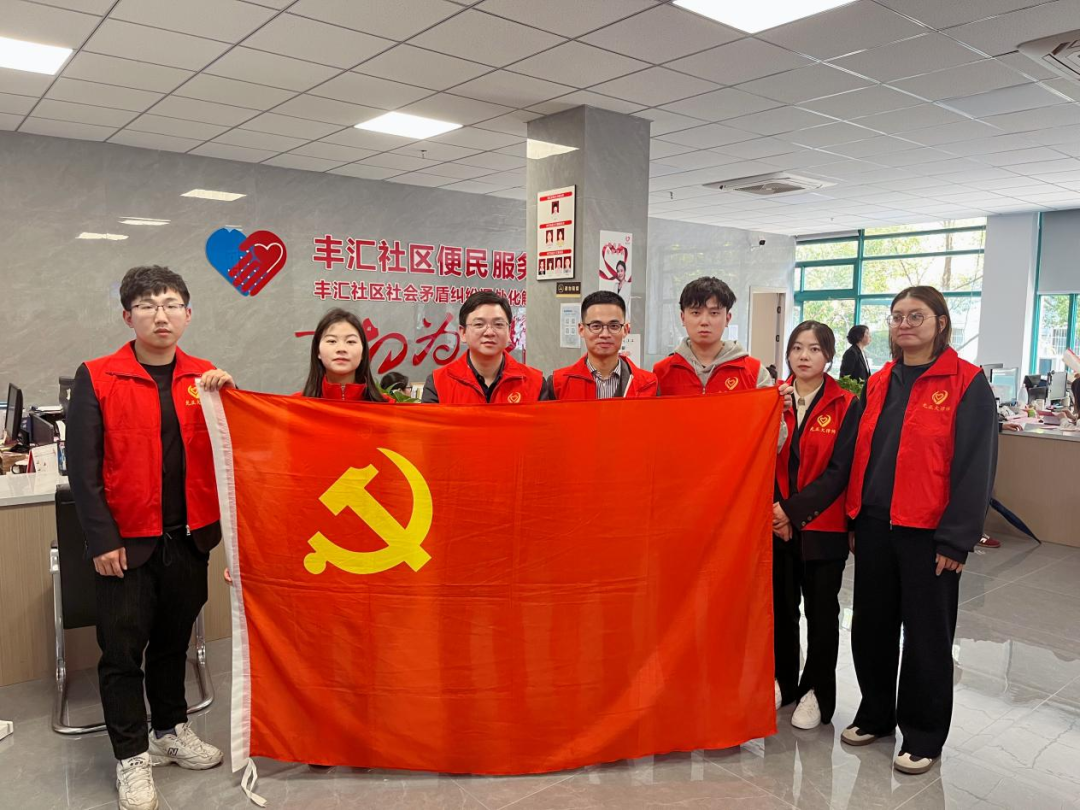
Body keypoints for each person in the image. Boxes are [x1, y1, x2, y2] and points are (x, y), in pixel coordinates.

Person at [67, 265, 232, 810]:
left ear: (188, 313)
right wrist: (101, 540)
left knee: (172, 644)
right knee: (121, 655)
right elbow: (83, 470)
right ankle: (132, 758)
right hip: (127, 545)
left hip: (188, 540)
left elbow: (232, 450)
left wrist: (231, 396)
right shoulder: (98, 376)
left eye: (171, 304)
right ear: (127, 316)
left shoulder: (205, 377)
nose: (161, 315)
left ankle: (169, 731)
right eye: (147, 305)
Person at [842, 286, 997, 775]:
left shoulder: (967, 382)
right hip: (874, 523)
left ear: (940, 322)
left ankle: (924, 733)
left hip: (928, 532)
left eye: (916, 316)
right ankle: (875, 714)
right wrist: (853, 517)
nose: (904, 324)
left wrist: (957, 538)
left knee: (927, 636)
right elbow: (862, 453)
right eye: (897, 316)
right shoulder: (879, 381)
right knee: (872, 627)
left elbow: (976, 466)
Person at [770, 321, 862, 730]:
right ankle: (783, 681)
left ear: (828, 356)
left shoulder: (846, 404)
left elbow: (839, 471)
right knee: (781, 610)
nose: (804, 356)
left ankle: (817, 693)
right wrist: (777, 514)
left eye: (814, 349)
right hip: (776, 525)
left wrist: (792, 512)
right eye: (796, 348)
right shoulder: (774, 399)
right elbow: (762, 458)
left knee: (822, 614)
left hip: (823, 527)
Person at [653, 276, 790, 446]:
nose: (704, 321)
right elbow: (652, 433)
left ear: (728, 318)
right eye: (695, 312)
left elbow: (774, 442)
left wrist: (777, 411)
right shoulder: (662, 372)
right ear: (682, 317)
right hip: (678, 463)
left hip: (736, 463)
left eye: (714, 313)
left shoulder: (754, 372)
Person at [422, 291, 543, 404]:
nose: (489, 332)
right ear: (463, 333)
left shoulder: (536, 383)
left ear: (509, 332)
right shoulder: (437, 383)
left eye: (498, 324)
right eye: (479, 324)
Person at [541, 291, 658, 400]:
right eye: (596, 326)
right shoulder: (558, 384)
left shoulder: (649, 384)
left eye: (614, 326)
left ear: (626, 330)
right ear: (581, 330)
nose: (605, 334)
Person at [299, 308, 386, 402]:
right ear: (317, 351)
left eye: (350, 341)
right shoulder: (295, 406)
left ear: (363, 353)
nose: (341, 349)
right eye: (332, 341)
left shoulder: (387, 407)